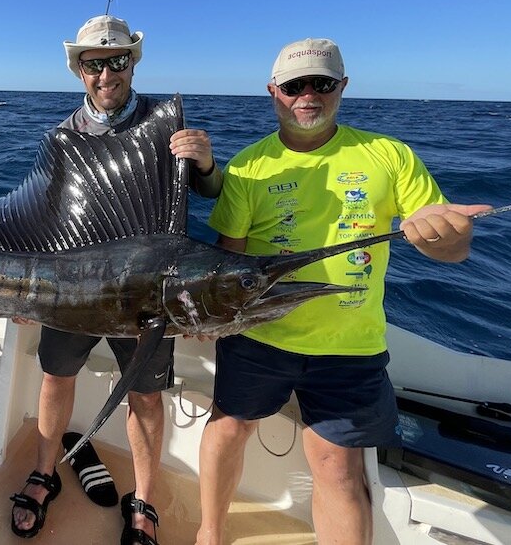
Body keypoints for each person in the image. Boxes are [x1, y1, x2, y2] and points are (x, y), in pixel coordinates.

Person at [193, 38, 491, 545]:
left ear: (342, 87)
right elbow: (230, 262)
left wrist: (451, 236)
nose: (308, 94)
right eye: (293, 85)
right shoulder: (246, 166)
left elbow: (450, 249)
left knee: (336, 469)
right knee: (226, 429)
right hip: (258, 338)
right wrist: (210, 316)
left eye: (322, 83)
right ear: (273, 92)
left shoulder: (389, 156)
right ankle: (209, 533)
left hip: (350, 346)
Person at [10, 15, 224, 543]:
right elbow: (43, 219)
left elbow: (212, 194)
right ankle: (45, 471)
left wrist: (206, 163)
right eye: (94, 64)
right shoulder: (62, 139)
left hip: (149, 296)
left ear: (133, 62)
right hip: (74, 291)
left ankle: (144, 499)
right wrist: (24, 292)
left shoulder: (165, 123)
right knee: (56, 378)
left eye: (117, 61)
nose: (107, 74)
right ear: (79, 70)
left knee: (146, 398)